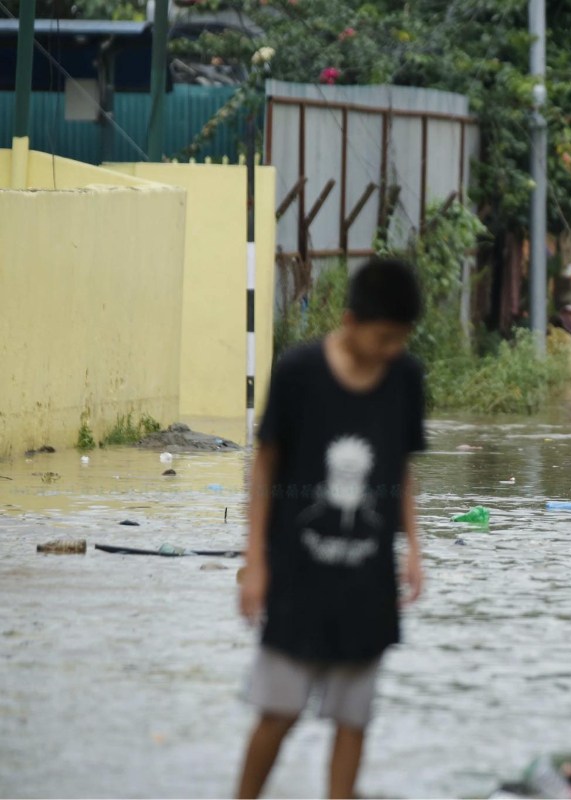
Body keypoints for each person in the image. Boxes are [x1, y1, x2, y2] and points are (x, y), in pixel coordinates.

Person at [236, 257, 427, 799]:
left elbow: (402, 469)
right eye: (383, 337)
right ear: (349, 321)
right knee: (279, 709)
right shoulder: (299, 373)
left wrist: (414, 548)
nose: (392, 349)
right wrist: (255, 562)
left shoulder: (406, 380)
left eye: (401, 339)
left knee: (354, 716)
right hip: (298, 574)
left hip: (367, 579)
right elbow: (266, 465)